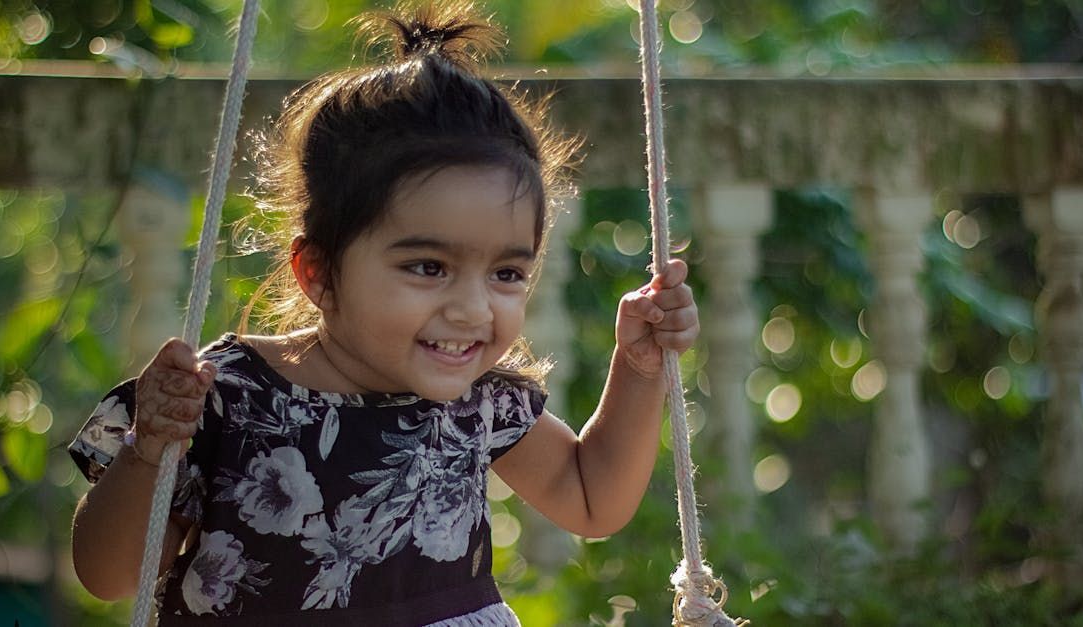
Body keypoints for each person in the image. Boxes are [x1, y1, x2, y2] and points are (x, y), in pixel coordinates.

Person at [68, 2, 699, 624]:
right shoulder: (226, 394)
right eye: (429, 267)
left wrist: (638, 369)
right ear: (318, 272)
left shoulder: (478, 402)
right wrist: (148, 450)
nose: (473, 308)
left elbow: (594, 500)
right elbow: (110, 575)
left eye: (507, 273)